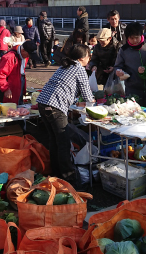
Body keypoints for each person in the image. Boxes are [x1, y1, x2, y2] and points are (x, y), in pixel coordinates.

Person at [37, 44, 95, 186]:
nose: (89, 58)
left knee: (54, 140)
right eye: (88, 55)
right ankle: (69, 178)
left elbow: (64, 88)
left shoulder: (65, 66)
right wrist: (93, 101)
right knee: (62, 142)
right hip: (55, 107)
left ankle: (56, 173)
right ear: (82, 58)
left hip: (43, 104)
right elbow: (87, 94)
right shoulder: (79, 69)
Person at [114, 22, 146, 109]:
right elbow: (118, 66)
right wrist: (118, 71)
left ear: (141, 35)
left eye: (137, 37)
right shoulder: (124, 50)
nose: (134, 40)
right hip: (133, 89)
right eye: (131, 38)